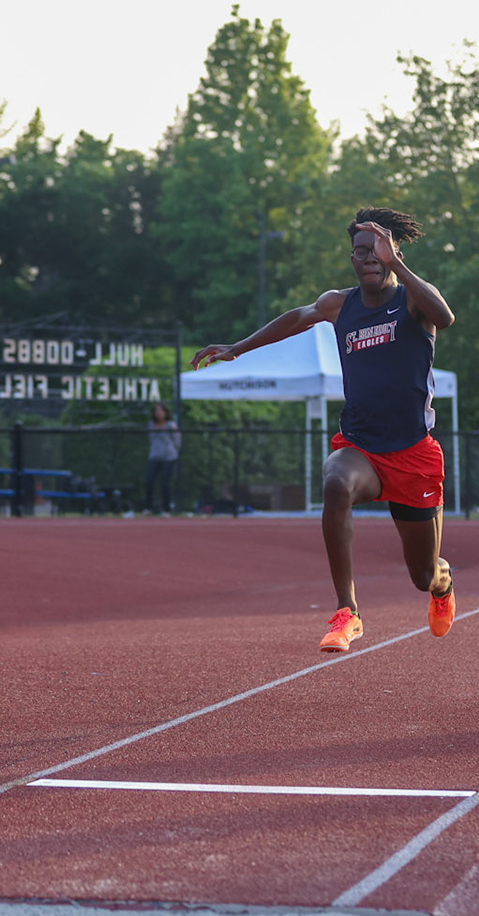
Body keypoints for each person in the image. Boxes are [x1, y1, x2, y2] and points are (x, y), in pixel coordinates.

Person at [191, 208, 456, 652]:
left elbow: (444, 318)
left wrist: (399, 266)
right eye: (360, 251)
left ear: (392, 252)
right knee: (335, 481)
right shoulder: (341, 304)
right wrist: (239, 348)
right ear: (351, 258)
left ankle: (443, 585)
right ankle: (347, 611)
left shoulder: (412, 298)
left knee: (422, 575)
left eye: (377, 250)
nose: (368, 258)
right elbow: (298, 317)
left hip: (413, 452)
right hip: (362, 447)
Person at [145, 403, 181, 514]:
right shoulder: (151, 425)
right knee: (149, 482)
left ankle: (166, 508)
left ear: (165, 412)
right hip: (154, 456)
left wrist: (173, 453)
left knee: (165, 483)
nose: (158, 413)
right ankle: (148, 508)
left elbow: (177, 441)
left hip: (169, 457)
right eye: (156, 411)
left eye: (160, 411)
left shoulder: (171, 425)